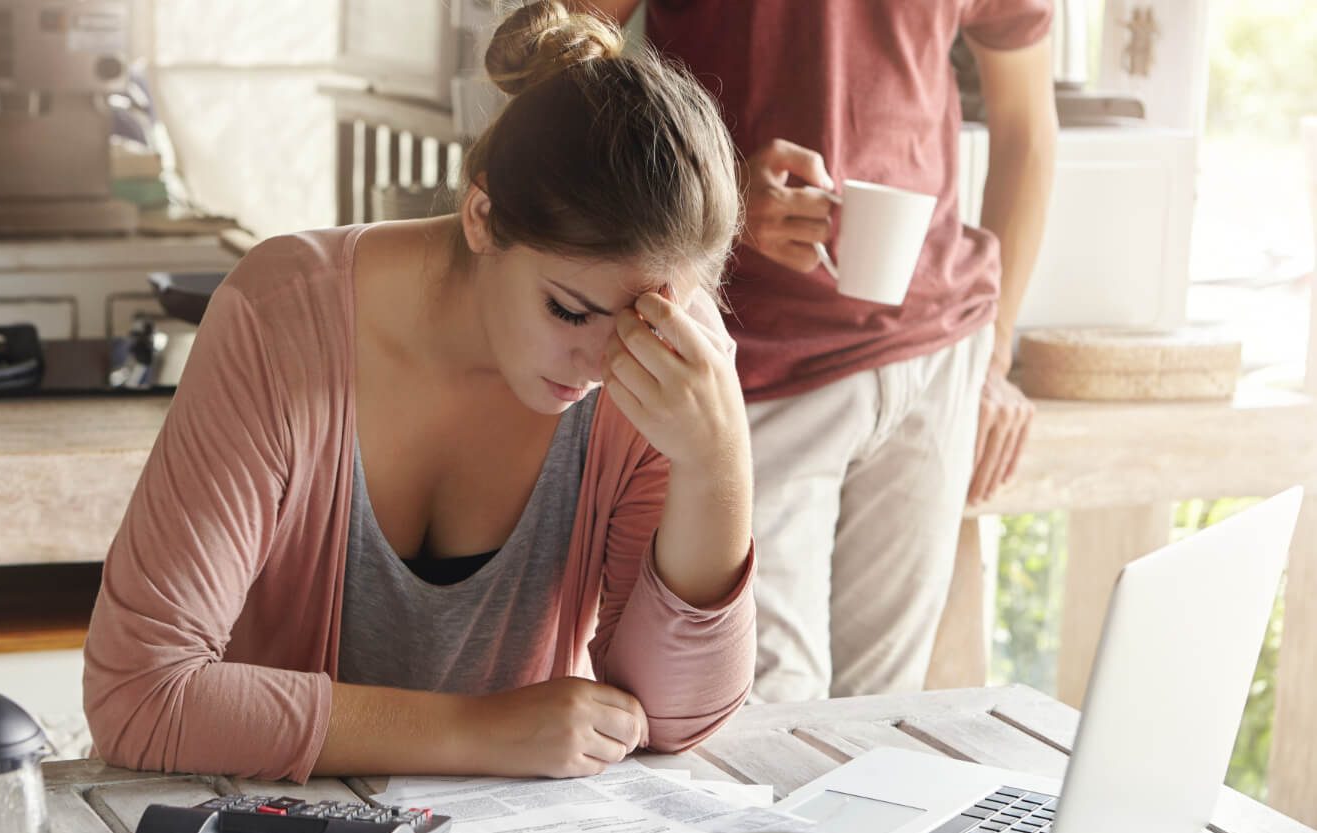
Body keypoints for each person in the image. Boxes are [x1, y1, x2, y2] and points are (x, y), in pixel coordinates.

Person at [81, 1, 756, 784]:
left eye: (643, 318)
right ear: (481, 216)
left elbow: (671, 719)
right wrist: (479, 731)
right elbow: (139, 693)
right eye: (569, 310)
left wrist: (718, 460)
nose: (607, 359)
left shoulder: (659, 356)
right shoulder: (282, 320)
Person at [577, 0, 1058, 702]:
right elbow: (557, 62)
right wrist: (715, 190)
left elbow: (1028, 131)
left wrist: (996, 355)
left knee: (882, 719)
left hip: (935, 356)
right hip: (753, 367)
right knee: (760, 716)